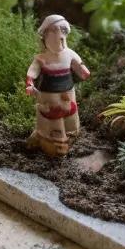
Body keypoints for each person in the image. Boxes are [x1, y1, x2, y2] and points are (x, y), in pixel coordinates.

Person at [26, 14, 90, 158]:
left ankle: (71, 135)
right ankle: (49, 142)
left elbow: (79, 65)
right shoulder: (42, 58)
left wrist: (83, 71)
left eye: (61, 32)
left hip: (68, 92)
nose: (59, 37)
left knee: (71, 118)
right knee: (49, 118)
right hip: (48, 95)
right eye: (54, 31)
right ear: (45, 36)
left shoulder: (69, 54)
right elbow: (33, 71)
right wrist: (29, 82)